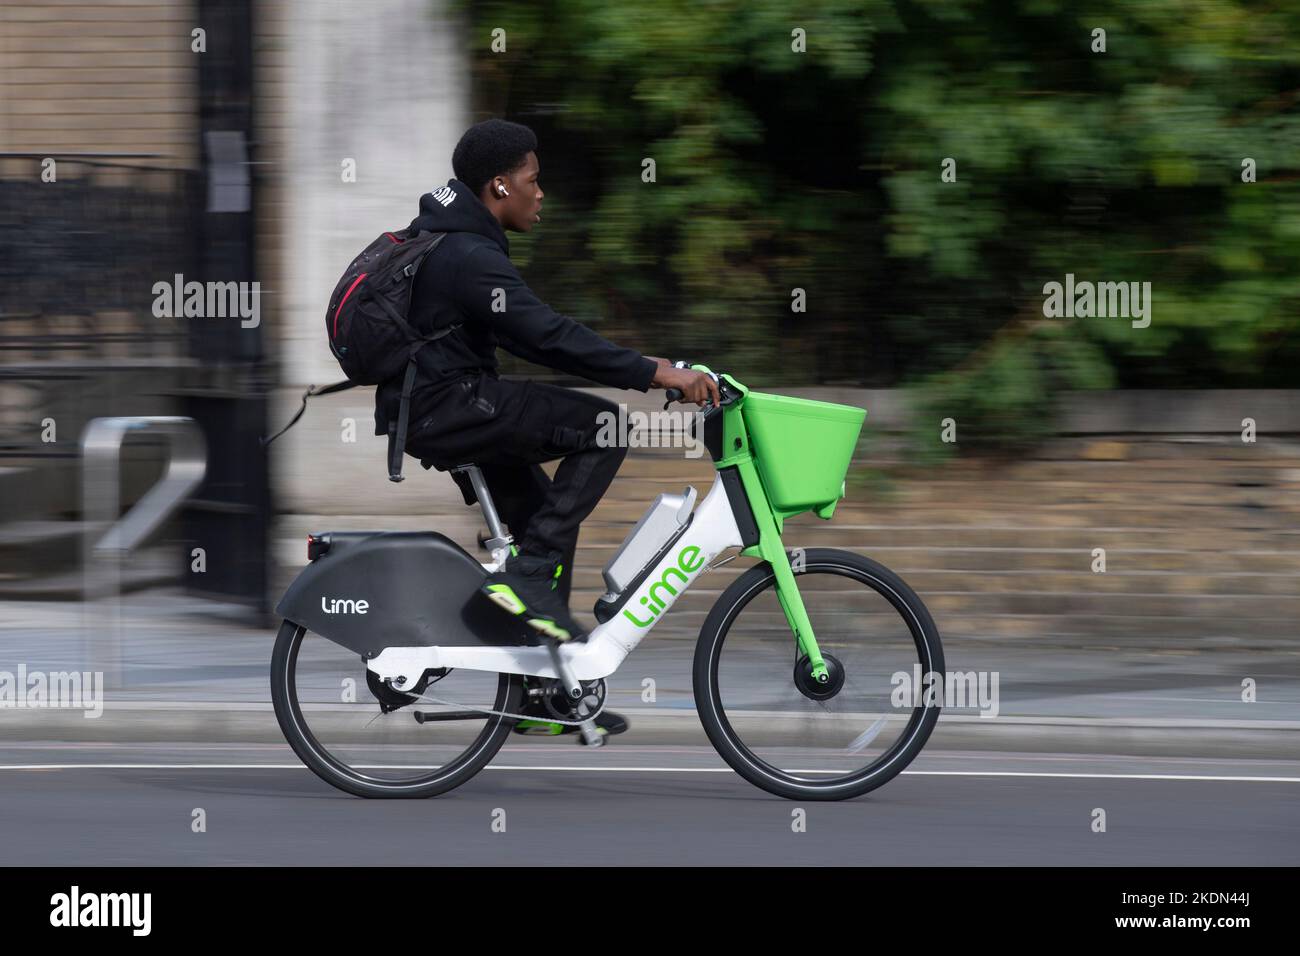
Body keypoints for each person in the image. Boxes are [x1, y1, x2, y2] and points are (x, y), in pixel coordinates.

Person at [373, 119, 718, 738]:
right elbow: (547, 335)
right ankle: (525, 586)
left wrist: (643, 367)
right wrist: (653, 372)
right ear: (500, 186)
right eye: (534, 181)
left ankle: (542, 691)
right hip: (452, 408)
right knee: (605, 426)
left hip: (448, 407)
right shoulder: (467, 255)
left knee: (543, 531)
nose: (542, 193)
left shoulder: (459, 244)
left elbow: (537, 338)